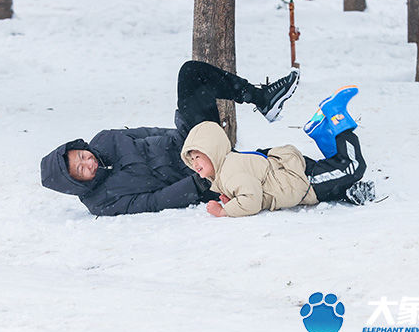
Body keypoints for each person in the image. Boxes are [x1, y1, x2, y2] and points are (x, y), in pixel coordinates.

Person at [40, 60, 300, 216]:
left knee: (190, 73)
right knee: (270, 167)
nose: (89, 162)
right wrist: (197, 184)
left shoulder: (105, 139)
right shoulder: (100, 202)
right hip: (196, 179)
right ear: (75, 183)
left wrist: (192, 136)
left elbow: (151, 133)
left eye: (83, 156)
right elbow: (152, 202)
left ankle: (261, 98)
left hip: (189, 144)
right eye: (81, 169)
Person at [180, 86, 376, 217]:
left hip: (300, 181)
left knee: (352, 168)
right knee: (337, 175)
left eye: (199, 157)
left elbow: (252, 201)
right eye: (192, 160)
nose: (195, 163)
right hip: (290, 172)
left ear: (213, 152)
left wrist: (223, 211)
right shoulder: (227, 168)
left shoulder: (229, 173)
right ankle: (322, 132)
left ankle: (336, 114)